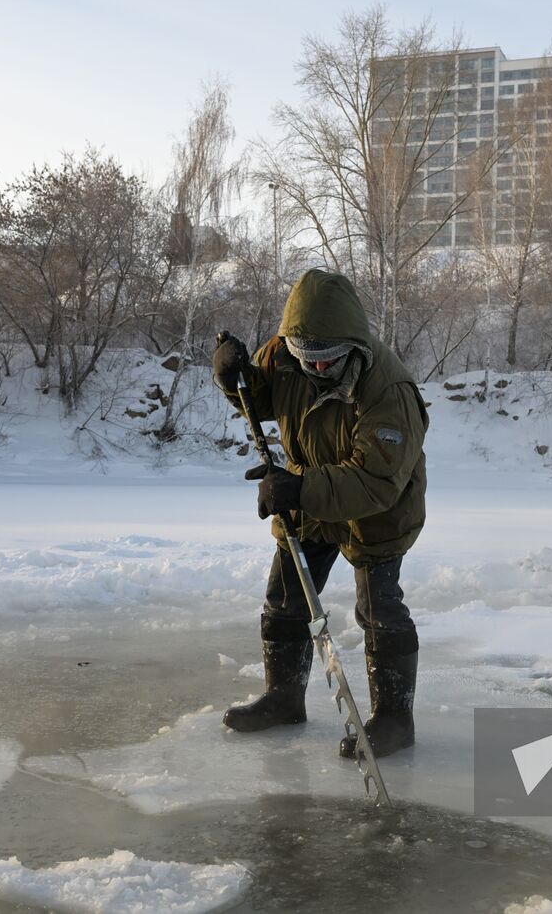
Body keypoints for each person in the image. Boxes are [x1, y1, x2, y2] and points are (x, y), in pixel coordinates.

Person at [211, 268, 428, 759]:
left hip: (378, 508)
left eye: (327, 358)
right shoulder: (286, 353)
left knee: (379, 608)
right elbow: (259, 396)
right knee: (285, 595)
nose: (315, 367)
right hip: (306, 495)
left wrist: (299, 487)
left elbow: (376, 480)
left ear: (352, 345)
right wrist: (231, 377)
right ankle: (283, 699)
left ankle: (395, 719)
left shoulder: (388, 390)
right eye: (305, 356)